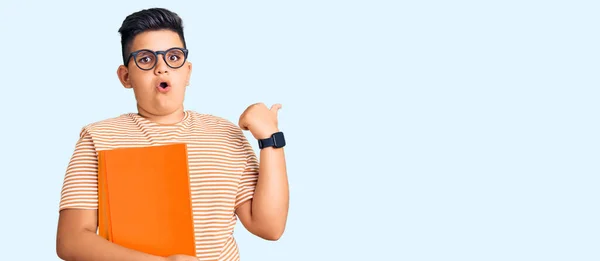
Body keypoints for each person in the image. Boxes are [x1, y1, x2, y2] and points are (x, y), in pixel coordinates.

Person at [55, 7, 289, 261]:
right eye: (145, 59)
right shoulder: (97, 137)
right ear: (126, 77)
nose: (162, 69)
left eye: (173, 57)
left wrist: (270, 139)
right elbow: (71, 240)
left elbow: (269, 227)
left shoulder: (225, 135)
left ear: (187, 71)